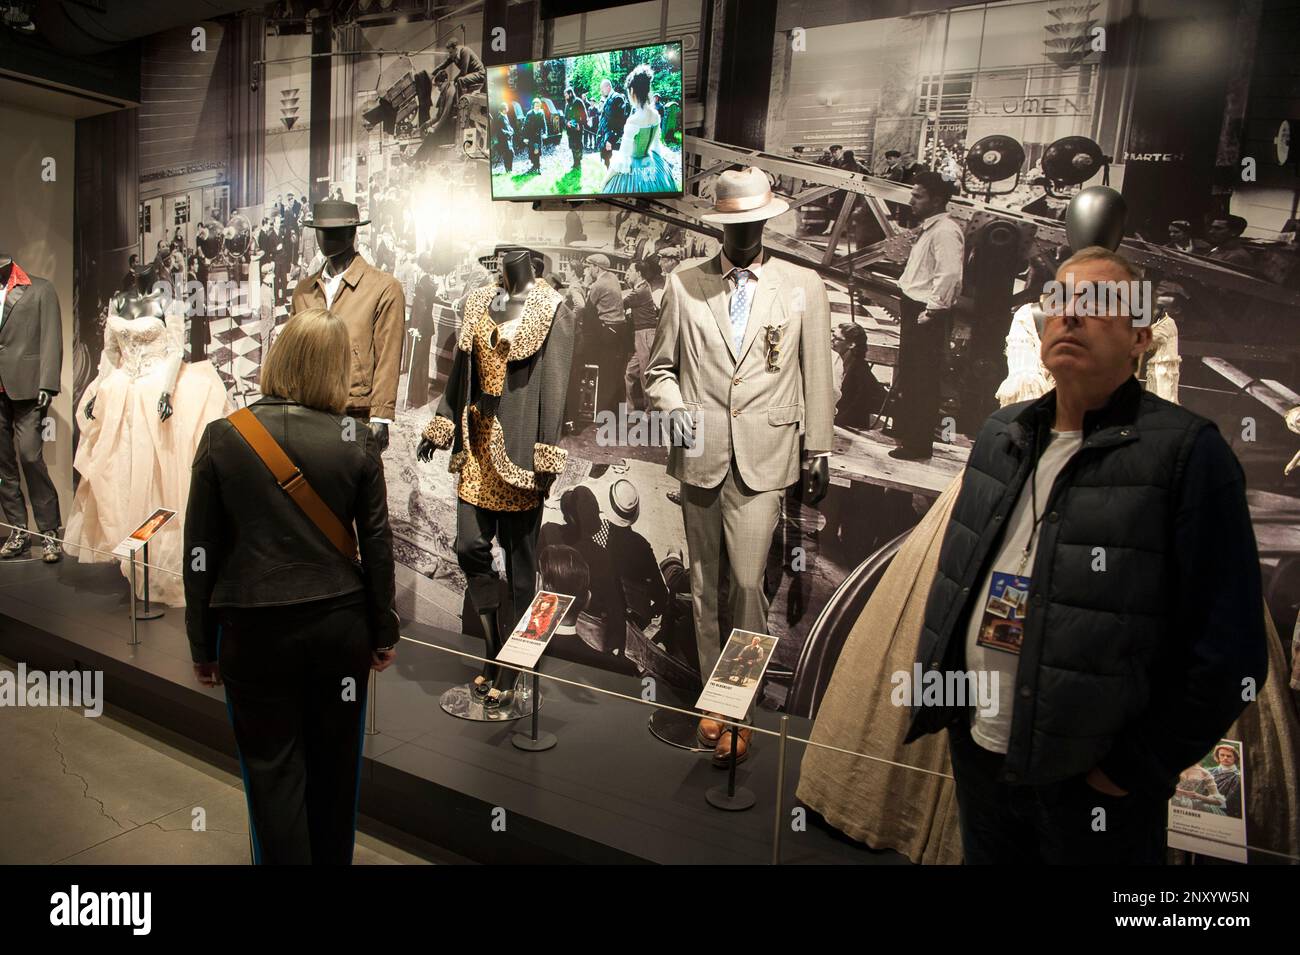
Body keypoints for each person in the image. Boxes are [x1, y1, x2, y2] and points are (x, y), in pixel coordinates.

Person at [905, 245, 1269, 864]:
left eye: (1098, 304)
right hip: (982, 750)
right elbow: (966, 577)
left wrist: (1134, 766)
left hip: (1090, 781)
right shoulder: (1003, 436)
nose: (1070, 317)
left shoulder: (1185, 455)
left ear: (1140, 339)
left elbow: (1229, 650)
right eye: (1059, 302)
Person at [183, 307, 399, 865]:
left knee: (271, 776)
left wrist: (201, 644)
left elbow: (199, 553)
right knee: (335, 772)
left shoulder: (223, 437)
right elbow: (377, 548)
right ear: (335, 370)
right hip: (338, 631)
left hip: (253, 632)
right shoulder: (356, 441)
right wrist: (383, 632)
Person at [890, 170, 964, 460]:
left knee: (922, 378)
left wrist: (932, 310)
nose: (911, 201)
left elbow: (950, 274)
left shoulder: (945, 231)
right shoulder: (931, 228)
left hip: (926, 313)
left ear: (936, 200)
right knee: (911, 375)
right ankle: (907, 432)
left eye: (917, 196)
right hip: (915, 307)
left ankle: (918, 444)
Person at [600, 65, 678, 196]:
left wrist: (605, 181)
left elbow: (623, 158)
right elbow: (656, 146)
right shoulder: (655, 115)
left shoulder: (634, 120)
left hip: (634, 169)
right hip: (652, 163)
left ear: (632, 91)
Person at [582, 252, 629, 412]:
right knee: (615, 371)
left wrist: (586, 284)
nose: (588, 270)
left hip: (608, 330)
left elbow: (587, 308)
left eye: (589, 267)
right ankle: (616, 409)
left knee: (604, 370)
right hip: (620, 329)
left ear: (596, 267)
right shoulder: (613, 278)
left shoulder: (598, 285)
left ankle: (603, 411)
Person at [622, 256, 664, 410]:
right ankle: (630, 409)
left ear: (638, 273)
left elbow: (623, 302)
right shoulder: (642, 287)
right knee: (629, 374)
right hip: (641, 335)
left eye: (630, 270)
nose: (627, 273)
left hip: (645, 335)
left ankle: (650, 411)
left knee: (645, 375)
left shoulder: (641, 290)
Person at [596, 78, 630, 169]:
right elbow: (605, 118)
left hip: (611, 138)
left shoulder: (617, 98)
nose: (601, 91)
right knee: (607, 163)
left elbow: (620, 121)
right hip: (606, 136)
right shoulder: (608, 99)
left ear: (608, 87)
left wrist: (610, 139)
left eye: (602, 89)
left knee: (613, 167)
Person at [1208, 744, 1243, 818]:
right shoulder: (1209, 771)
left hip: (1222, 812)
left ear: (1235, 758)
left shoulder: (1238, 777)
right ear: (1218, 756)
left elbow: (1229, 803)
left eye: (1229, 756)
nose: (1225, 758)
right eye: (1222, 755)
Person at [563, 87, 586, 171]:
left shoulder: (578, 102)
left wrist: (580, 124)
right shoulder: (567, 105)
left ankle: (578, 162)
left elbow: (584, 115)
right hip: (570, 130)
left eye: (566, 95)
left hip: (578, 129)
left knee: (578, 145)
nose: (565, 97)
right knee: (572, 146)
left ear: (570, 94)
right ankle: (575, 162)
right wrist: (567, 123)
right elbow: (565, 118)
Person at [524, 99, 547, 174]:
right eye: (536, 106)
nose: (537, 107)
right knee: (532, 151)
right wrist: (525, 137)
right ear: (533, 106)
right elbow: (525, 126)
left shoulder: (541, 113)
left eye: (539, 106)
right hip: (530, 136)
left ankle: (537, 166)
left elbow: (544, 124)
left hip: (538, 136)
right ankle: (534, 164)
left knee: (537, 150)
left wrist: (545, 133)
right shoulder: (529, 114)